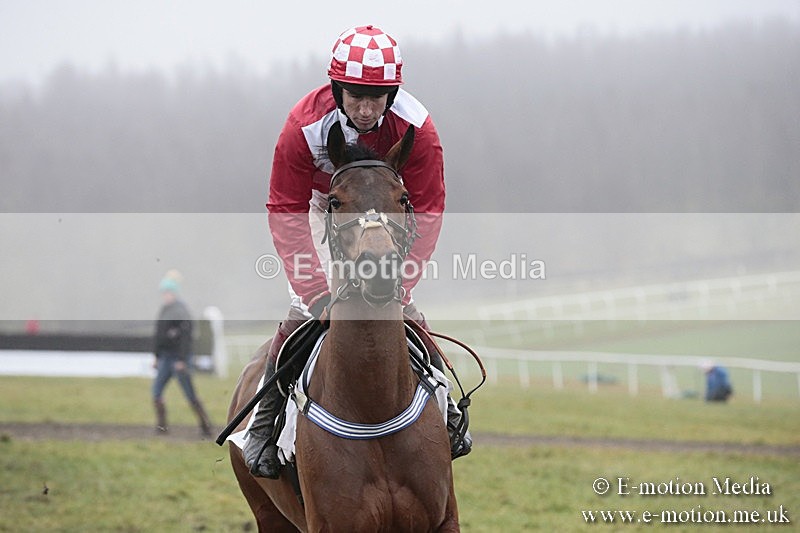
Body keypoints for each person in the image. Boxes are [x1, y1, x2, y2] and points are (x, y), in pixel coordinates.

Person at [244, 25, 470, 479]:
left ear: (393, 94)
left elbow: (427, 210)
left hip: (388, 210)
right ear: (336, 89)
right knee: (303, 311)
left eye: (377, 99)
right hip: (321, 208)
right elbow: (284, 208)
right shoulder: (302, 126)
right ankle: (264, 424)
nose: (367, 111)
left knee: (401, 308)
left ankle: (445, 408)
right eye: (355, 97)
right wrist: (313, 292)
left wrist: (401, 285)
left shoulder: (418, 129)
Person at [152, 270, 213, 437]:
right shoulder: (165, 310)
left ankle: (206, 425)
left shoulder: (181, 311)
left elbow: (186, 338)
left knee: (189, 394)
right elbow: (159, 335)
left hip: (179, 359)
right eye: (164, 293)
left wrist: (181, 360)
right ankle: (161, 427)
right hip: (165, 357)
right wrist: (156, 356)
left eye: (168, 292)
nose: (165, 296)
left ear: (174, 293)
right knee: (156, 393)